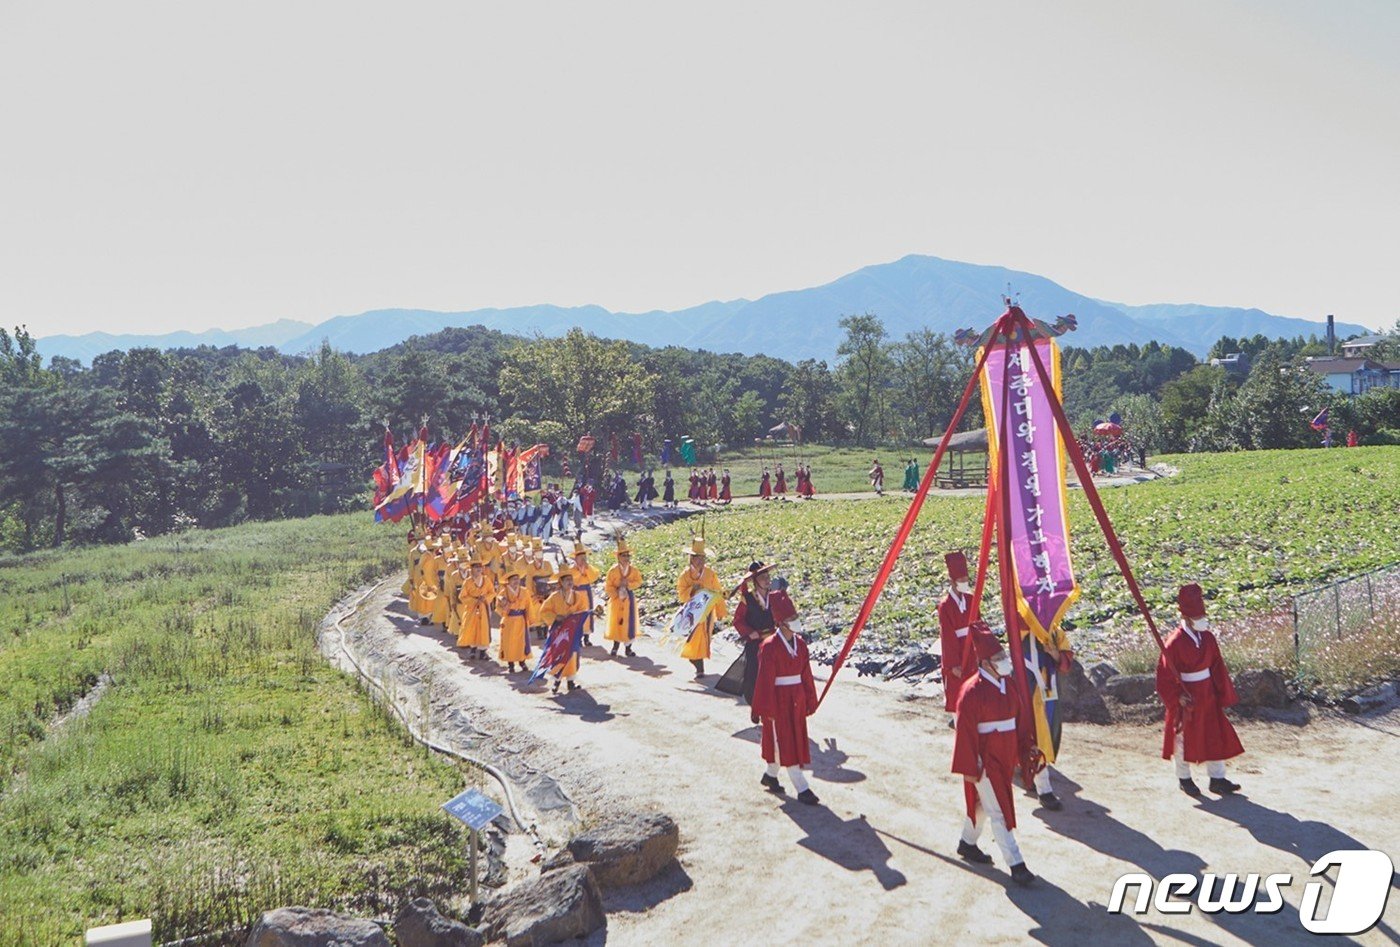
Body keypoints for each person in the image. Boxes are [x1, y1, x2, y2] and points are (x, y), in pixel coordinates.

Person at [952, 628, 1036, 886]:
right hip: (985, 760)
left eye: (1003, 655)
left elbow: (1020, 720)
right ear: (985, 662)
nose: (1004, 660)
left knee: (983, 806)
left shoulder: (1008, 684)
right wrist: (970, 765)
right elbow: (964, 732)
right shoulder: (970, 691)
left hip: (1006, 755)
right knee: (998, 809)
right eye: (998, 656)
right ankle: (1017, 864)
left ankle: (967, 843)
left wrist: (1027, 747)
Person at [1156, 583, 1244, 797]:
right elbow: (1164, 675)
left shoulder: (1208, 638)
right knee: (1183, 738)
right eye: (1198, 616)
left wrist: (1221, 691)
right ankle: (1184, 778)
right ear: (1186, 618)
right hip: (1188, 696)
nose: (1202, 619)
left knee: (1215, 734)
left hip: (1207, 693)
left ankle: (1217, 778)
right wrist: (1178, 697)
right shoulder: (1174, 642)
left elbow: (1216, 665)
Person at [750, 602, 820, 805]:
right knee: (784, 741)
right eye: (791, 618)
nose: (795, 621)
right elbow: (764, 679)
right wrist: (763, 708)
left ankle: (770, 775)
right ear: (780, 623)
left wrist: (809, 699)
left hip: (796, 698)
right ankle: (802, 787)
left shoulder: (802, 645)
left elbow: (806, 674)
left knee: (794, 739)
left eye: (795, 616)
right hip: (778, 701)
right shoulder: (769, 646)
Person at [1018, 614, 1072, 810]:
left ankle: (1035, 776)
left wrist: (1055, 654)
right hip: (1026, 691)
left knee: (1047, 735)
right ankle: (1044, 788)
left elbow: (1065, 663)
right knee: (1033, 736)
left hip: (1049, 692)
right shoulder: (1022, 629)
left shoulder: (1055, 632)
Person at [732, 561, 797, 705]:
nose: (767, 580)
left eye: (768, 577)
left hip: (774, 642)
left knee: (775, 674)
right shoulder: (747, 599)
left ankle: (773, 705)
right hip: (755, 643)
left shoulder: (775, 596)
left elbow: (784, 616)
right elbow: (738, 621)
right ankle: (756, 705)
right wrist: (749, 632)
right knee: (754, 676)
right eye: (762, 578)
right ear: (755, 582)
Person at [677, 537, 728, 678]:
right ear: (691, 559)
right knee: (694, 637)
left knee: (704, 637)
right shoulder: (685, 575)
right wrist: (692, 590)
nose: (700, 561)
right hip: (692, 612)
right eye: (697, 558)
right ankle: (697, 663)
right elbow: (682, 594)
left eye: (702, 557)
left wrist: (721, 609)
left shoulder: (710, 574)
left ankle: (699, 664)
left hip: (707, 612)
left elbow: (717, 591)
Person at [538, 565, 589, 694]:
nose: (569, 582)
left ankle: (571, 681)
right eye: (566, 580)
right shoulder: (554, 597)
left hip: (572, 631)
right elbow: (544, 611)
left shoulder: (578, 596)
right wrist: (556, 617)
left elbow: (583, 610)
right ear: (560, 582)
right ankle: (557, 681)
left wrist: (576, 619)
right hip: (559, 630)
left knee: (572, 655)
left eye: (571, 579)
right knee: (559, 655)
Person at [938, 552, 976, 722]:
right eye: (961, 580)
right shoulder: (945, 606)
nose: (964, 583)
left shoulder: (971, 599)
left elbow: (979, 625)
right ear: (952, 581)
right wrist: (953, 664)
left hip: (972, 649)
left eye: (966, 579)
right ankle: (959, 719)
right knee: (957, 685)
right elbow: (947, 637)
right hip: (957, 650)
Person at [604, 536, 643, 656]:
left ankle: (628, 648)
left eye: (628, 555)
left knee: (629, 622)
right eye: (623, 555)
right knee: (616, 621)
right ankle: (615, 647)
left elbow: (639, 581)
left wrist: (629, 585)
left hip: (629, 598)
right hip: (616, 599)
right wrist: (616, 592)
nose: (626, 558)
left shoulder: (633, 570)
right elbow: (608, 586)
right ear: (618, 557)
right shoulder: (613, 571)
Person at [456, 554, 497, 660]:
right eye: (476, 566)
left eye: (480, 566)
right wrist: (474, 600)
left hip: (484, 608)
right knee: (471, 627)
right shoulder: (467, 582)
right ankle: (473, 649)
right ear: (471, 568)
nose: (479, 568)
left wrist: (485, 598)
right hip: (471, 608)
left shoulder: (487, 580)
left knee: (483, 628)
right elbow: (462, 596)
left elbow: (492, 592)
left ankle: (483, 651)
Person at [495, 566, 532, 673]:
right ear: (508, 581)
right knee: (508, 642)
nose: (516, 581)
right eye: (514, 579)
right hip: (509, 619)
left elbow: (529, 606)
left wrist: (531, 619)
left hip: (521, 619)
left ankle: (522, 662)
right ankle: (510, 664)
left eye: (518, 579)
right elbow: (498, 608)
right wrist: (505, 608)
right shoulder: (503, 593)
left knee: (521, 642)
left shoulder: (524, 591)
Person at [570, 541, 602, 648]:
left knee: (587, 614)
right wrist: (580, 572)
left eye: (584, 557)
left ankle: (586, 638)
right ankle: (577, 638)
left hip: (586, 592)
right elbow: (572, 581)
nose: (583, 560)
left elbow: (594, 576)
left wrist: (586, 569)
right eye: (580, 558)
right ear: (575, 559)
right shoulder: (572, 570)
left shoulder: (589, 567)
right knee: (577, 615)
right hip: (576, 593)